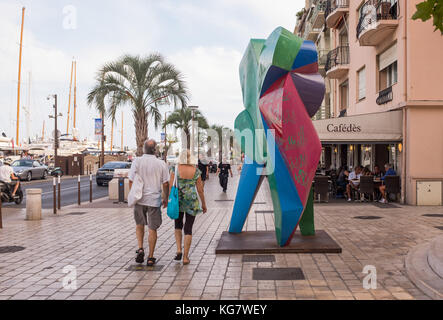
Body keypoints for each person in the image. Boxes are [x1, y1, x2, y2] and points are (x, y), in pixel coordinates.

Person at [129, 140, 170, 266]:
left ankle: (140, 248)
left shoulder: (137, 161)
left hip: (139, 199)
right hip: (154, 200)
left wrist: (132, 194)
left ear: (143, 149)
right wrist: (165, 198)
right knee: (152, 229)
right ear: (155, 150)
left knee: (139, 224)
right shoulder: (161, 163)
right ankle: (151, 257)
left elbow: (131, 180)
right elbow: (166, 183)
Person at [169, 150, 207, 265]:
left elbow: (171, 186)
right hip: (191, 201)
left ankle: (179, 250)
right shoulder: (195, 170)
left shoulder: (174, 169)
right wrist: (203, 204)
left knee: (178, 224)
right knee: (188, 228)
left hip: (178, 200)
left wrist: (167, 199)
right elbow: (200, 189)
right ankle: (185, 257)